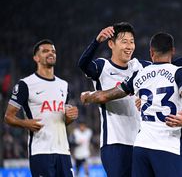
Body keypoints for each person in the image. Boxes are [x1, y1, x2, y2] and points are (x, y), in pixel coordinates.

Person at [81, 32, 182, 177]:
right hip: (168, 145)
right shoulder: (178, 73)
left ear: (151, 52)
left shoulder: (140, 74)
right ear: (173, 50)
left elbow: (104, 95)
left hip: (141, 147)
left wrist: (88, 96)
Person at [78, 22, 151, 177]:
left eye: (132, 42)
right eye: (124, 42)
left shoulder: (139, 67)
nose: (129, 46)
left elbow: (165, 66)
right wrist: (97, 41)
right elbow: (83, 64)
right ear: (111, 43)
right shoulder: (102, 66)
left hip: (139, 142)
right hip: (114, 143)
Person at [4, 39, 78, 177]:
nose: (51, 53)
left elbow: (62, 121)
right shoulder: (25, 84)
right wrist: (25, 123)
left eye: (53, 51)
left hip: (63, 151)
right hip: (41, 151)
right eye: (45, 51)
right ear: (36, 58)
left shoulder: (64, 85)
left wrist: (69, 117)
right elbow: (8, 117)